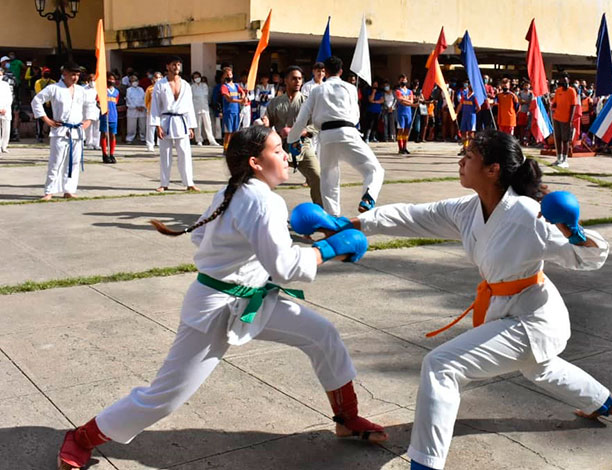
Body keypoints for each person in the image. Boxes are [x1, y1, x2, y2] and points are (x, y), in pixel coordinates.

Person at [54, 126, 387, 470]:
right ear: (256, 162)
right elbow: (286, 267)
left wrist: (263, 245)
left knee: (322, 335)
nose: (287, 154)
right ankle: (81, 438)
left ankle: (347, 418)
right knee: (166, 395)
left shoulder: (236, 191)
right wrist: (329, 247)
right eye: (278, 150)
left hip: (254, 297)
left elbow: (202, 238)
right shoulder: (262, 200)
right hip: (216, 308)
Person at [315, 129, 612, 470]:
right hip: (507, 309)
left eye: (470, 157)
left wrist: (575, 231)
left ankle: (424, 465)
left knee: (442, 366)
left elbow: (585, 259)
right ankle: (605, 402)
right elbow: (413, 215)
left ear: (493, 169)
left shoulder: (527, 215)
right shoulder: (467, 209)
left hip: (534, 317)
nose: (461, 162)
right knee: (539, 367)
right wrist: (353, 222)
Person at [288, 56, 385, 215]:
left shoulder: (317, 90)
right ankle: (368, 197)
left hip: (326, 136)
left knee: (329, 179)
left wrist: (292, 140)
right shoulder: (350, 88)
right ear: (341, 71)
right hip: (348, 132)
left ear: (325, 71)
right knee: (374, 170)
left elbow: (302, 118)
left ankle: (333, 218)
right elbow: (355, 115)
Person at [31, 62, 98, 200]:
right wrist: (47, 120)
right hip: (60, 129)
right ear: (64, 74)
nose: (75, 78)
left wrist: (89, 120)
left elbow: (91, 105)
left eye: (77, 75)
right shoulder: (54, 88)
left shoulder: (81, 90)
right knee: (56, 161)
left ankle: (69, 189)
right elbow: (36, 101)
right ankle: (49, 191)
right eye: (73, 74)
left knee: (73, 162)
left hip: (77, 130)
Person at [266, 65, 323, 206]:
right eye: (294, 78)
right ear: (286, 80)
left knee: (317, 177)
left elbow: (316, 125)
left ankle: (321, 211)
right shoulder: (275, 102)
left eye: (300, 79)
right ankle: (261, 210)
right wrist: (265, 122)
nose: (297, 81)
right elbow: (267, 122)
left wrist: (299, 131)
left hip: (302, 146)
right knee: (260, 178)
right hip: (279, 148)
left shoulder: (308, 102)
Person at [151, 56, 199, 192]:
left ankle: (189, 182)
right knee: (165, 154)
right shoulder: (160, 85)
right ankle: (164, 183)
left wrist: (190, 126)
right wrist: (157, 125)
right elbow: (155, 106)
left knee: (185, 153)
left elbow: (190, 106)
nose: (176, 67)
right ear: (167, 66)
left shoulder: (185, 85)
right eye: (174, 64)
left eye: (178, 64)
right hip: (166, 121)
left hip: (182, 121)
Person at [551, 74, 578, 168]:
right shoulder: (558, 90)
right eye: (563, 82)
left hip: (566, 119)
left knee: (565, 139)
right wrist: (552, 105)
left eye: (566, 82)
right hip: (557, 117)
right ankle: (559, 158)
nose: (564, 84)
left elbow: (573, 105)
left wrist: (570, 120)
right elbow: (554, 103)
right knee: (557, 138)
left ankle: (565, 159)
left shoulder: (572, 91)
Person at [191, 71, 220, 147]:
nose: (197, 78)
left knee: (208, 124)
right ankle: (199, 140)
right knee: (198, 125)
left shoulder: (204, 85)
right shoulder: (192, 87)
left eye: (198, 77)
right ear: (193, 79)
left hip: (205, 107)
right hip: (196, 108)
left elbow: (205, 95)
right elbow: (193, 96)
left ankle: (211, 140)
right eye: (195, 77)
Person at [220, 66, 245, 153]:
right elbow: (229, 98)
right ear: (224, 76)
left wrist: (243, 96)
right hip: (228, 112)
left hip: (236, 111)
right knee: (228, 132)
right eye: (227, 74)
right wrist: (240, 101)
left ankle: (233, 148)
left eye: (230, 74)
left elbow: (242, 92)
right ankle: (226, 149)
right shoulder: (224, 86)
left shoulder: (236, 85)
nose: (229, 76)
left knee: (235, 132)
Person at [99, 72, 119, 164]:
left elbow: (116, 103)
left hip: (113, 116)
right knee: (104, 134)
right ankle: (104, 154)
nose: (111, 80)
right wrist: (102, 108)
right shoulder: (103, 91)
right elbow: (97, 102)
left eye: (113, 79)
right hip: (104, 116)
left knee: (113, 135)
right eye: (109, 79)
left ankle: (111, 154)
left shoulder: (116, 92)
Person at [78, 73, 101, 151]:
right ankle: (89, 143)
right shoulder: (83, 89)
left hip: (97, 109)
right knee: (89, 127)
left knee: (97, 127)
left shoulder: (99, 88)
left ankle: (96, 143)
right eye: (91, 80)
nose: (92, 81)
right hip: (87, 108)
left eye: (94, 80)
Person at [456, 82, 479, 155]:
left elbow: (479, 107)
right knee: (463, 132)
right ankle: (465, 148)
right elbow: (460, 105)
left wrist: (474, 112)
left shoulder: (474, 97)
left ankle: (470, 149)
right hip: (464, 116)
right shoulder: (465, 95)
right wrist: (456, 113)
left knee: (471, 133)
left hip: (471, 116)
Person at [395, 74, 415, 155]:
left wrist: (408, 101)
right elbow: (400, 100)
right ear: (399, 81)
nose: (403, 81)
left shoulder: (410, 91)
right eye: (402, 80)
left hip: (408, 113)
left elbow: (411, 101)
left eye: (405, 80)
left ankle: (405, 147)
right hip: (401, 113)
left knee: (407, 131)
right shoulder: (398, 91)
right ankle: (400, 147)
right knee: (401, 130)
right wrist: (410, 102)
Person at [34, 67, 56, 142]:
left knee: (52, 119)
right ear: (42, 73)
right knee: (40, 120)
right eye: (45, 72)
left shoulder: (53, 82)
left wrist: (50, 102)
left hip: (52, 104)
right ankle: (39, 135)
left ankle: (52, 135)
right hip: (42, 104)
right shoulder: (38, 82)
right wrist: (46, 102)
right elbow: (38, 92)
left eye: (48, 72)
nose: (46, 73)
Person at [125, 73, 147, 144]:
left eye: (136, 80)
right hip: (133, 109)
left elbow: (145, 98)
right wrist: (135, 106)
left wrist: (142, 106)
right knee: (131, 125)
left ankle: (143, 137)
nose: (135, 82)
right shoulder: (129, 90)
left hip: (142, 109)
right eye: (133, 80)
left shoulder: (141, 89)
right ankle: (130, 138)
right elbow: (128, 100)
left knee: (142, 125)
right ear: (130, 82)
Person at [144, 71, 162, 152]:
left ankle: (160, 142)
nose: (157, 79)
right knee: (150, 128)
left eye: (159, 77)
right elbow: (146, 100)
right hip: (151, 111)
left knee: (161, 128)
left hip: (161, 111)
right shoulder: (149, 89)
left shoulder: (164, 87)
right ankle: (150, 144)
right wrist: (148, 108)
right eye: (156, 77)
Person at [0, 67, 11, 153]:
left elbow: (9, 98)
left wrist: (4, 108)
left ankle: (4, 146)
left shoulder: (6, 84)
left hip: (6, 109)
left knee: (6, 129)